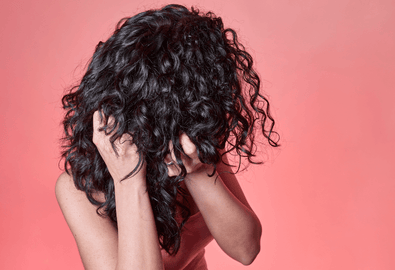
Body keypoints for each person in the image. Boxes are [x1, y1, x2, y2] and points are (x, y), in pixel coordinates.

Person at [55, 4, 279, 270]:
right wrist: (128, 181)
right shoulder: (78, 188)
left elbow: (246, 249)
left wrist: (198, 173)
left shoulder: (193, 145)